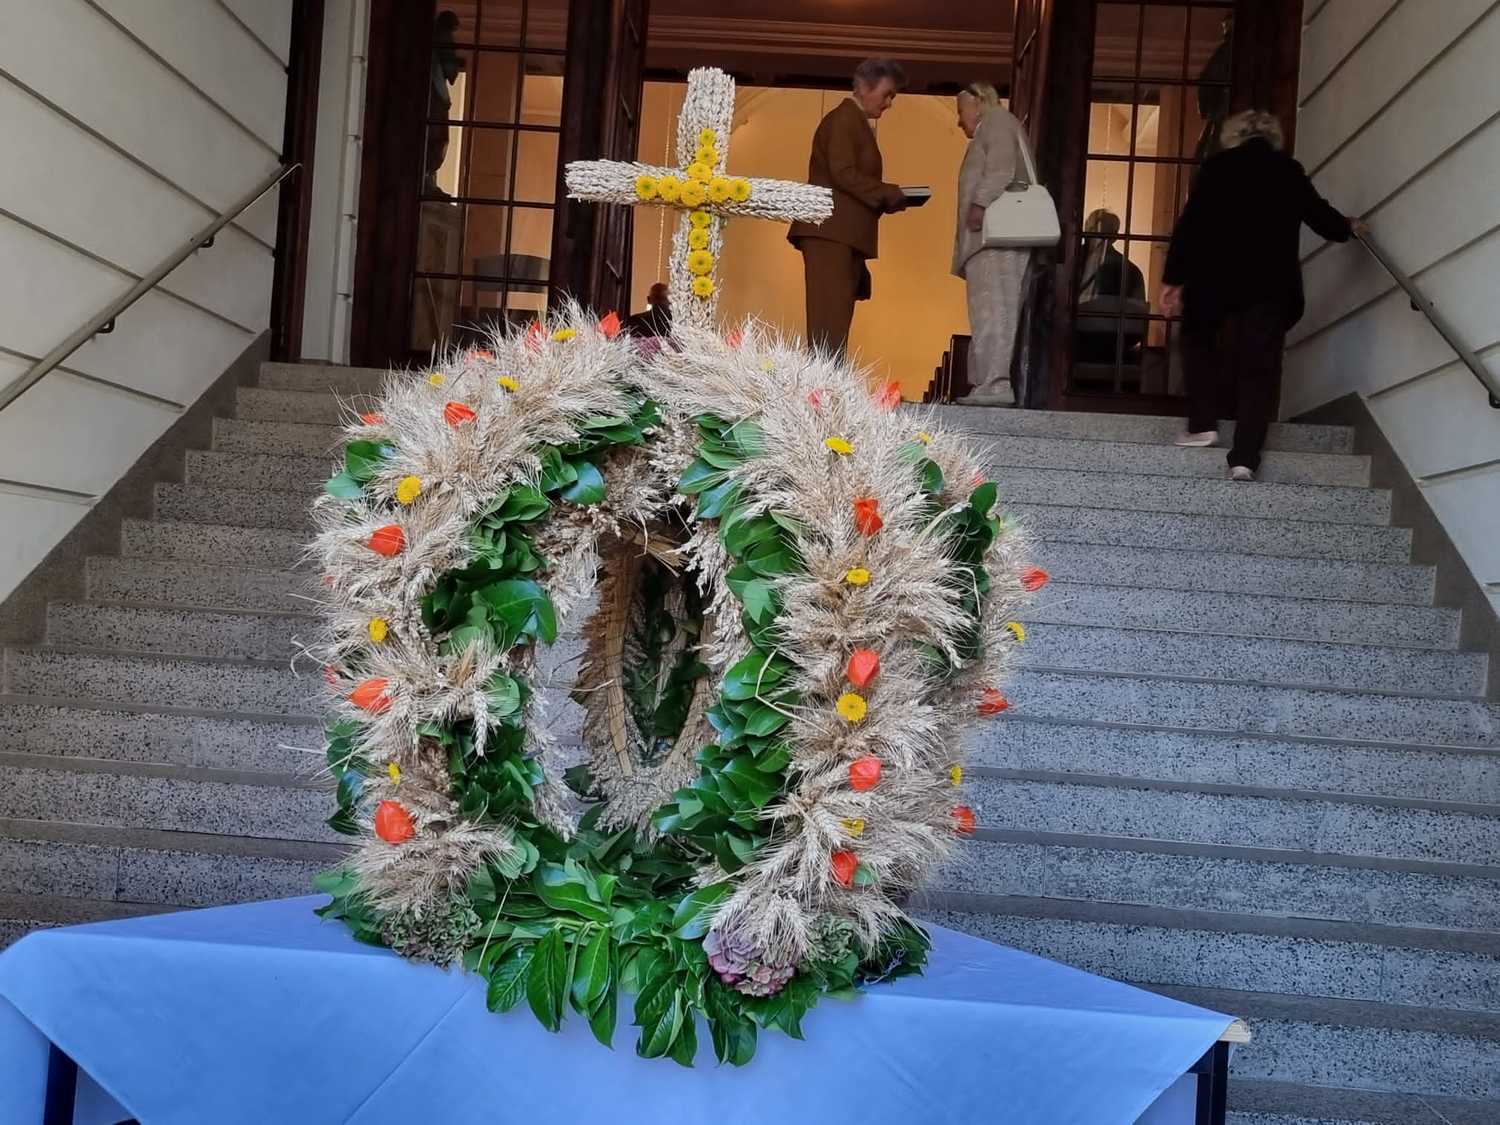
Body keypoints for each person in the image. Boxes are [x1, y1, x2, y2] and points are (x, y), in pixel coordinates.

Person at [1162, 110, 1367, 481]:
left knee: (1198, 342)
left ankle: (1203, 425)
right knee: (1260, 367)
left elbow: (1191, 226)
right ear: (1274, 138)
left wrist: (1173, 280)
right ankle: (1244, 459)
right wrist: (1347, 227)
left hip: (1214, 280)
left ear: (1233, 136)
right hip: (1271, 283)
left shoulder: (1216, 168)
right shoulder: (1287, 170)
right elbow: (1320, 216)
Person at [788, 58, 910, 355]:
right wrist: (886, 193)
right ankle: (822, 382)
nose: (889, 103)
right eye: (887, 94)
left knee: (835, 322)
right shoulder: (844, 119)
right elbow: (842, 172)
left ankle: (828, 379)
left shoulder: (853, 122)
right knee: (828, 323)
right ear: (865, 87)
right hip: (831, 232)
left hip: (840, 235)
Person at [951, 82, 1033, 407]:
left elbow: (1001, 168)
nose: (959, 120)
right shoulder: (998, 124)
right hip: (992, 240)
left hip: (996, 239)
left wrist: (979, 204)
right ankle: (986, 383)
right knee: (989, 311)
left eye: (961, 111)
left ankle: (995, 384)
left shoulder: (996, 120)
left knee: (995, 311)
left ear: (978, 101)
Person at [1074, 208, 1147, 365]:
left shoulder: (1070, 265)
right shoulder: (1131, 270)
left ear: (1085, 231)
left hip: (1075, 345)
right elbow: (1137, 328)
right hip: (1115, 350)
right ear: (1115, 236)